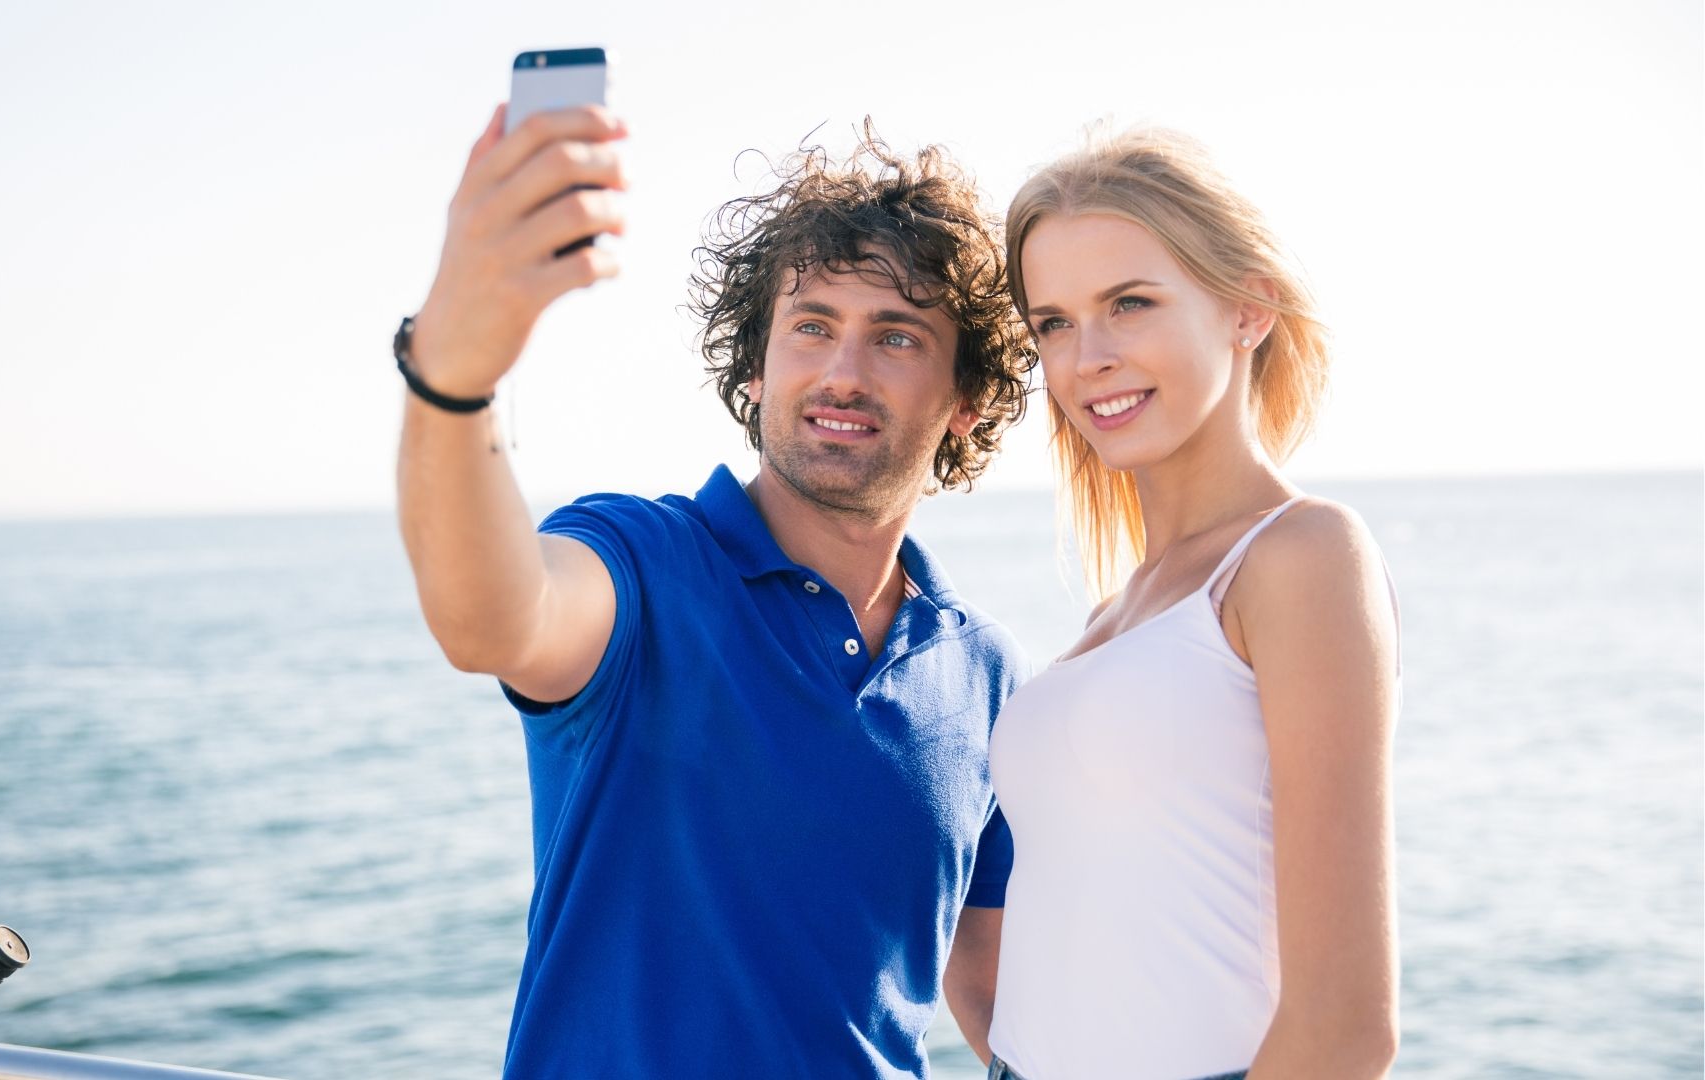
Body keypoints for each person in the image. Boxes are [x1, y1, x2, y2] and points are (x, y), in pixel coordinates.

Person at [394, 104, 1037, 1079]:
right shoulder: (644, 565)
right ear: (756, 363)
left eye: (897, 337)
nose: (841, 372)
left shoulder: (986, 670)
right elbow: (494, 617)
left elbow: (990, 985)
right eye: (811, 326)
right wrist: (452, 376)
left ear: (964, 401)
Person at [979, 127, 1401, 1080]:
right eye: (1052, 322)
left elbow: (1344, 1027)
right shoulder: (1115, 611)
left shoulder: (1299, 557)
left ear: (1248, 309)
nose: (1087, 358)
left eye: (1129, 304)